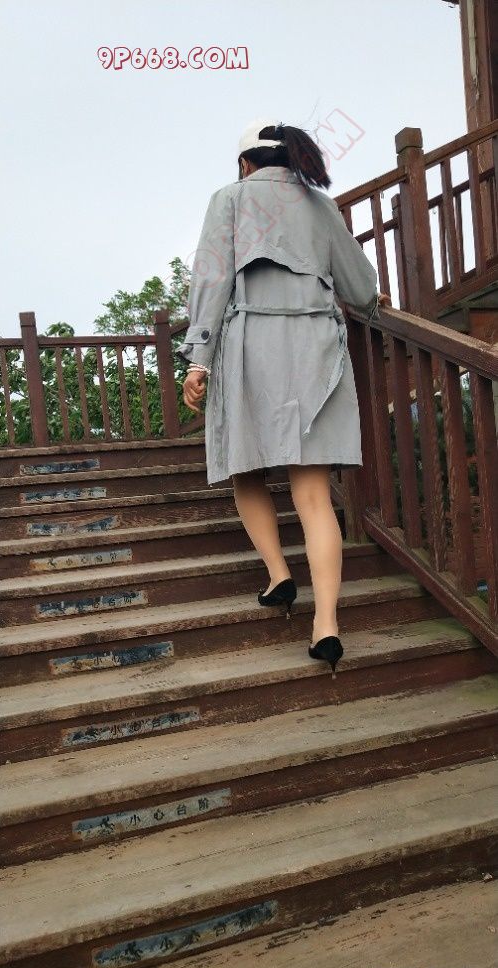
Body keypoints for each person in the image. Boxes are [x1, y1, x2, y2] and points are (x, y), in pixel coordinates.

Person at [174, 117, 391, 677]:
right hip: (316, 347)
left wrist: (198, 359)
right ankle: (327, 626)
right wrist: (374, 307)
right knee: (313, 495)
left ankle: (278, 574)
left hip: (252, 344)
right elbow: (361, 288)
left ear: (246, 163)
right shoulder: (321, 205)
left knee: (246, 469)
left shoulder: (230, 199)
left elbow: (211, 281)